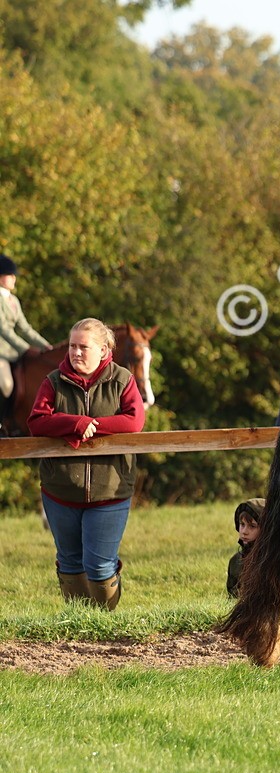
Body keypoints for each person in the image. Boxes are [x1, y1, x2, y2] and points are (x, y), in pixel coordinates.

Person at [27, 318, 145, 609]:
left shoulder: (123, 380)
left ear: (104, 350)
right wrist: (75, 424)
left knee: (100, 565)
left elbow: (135, 421)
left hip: (111, 491)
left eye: (84, 347)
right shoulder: (53, 381)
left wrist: (95, 426)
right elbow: (37, 422)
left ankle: (104, 623)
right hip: (60, 490)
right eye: (72, 346)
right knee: (69, 562)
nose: (76, 353)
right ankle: (80, 624)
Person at [0, 254, 52, 411]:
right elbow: (3, 329)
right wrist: (25, 348)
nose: (14, 278)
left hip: (14, 353)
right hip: (1, 353)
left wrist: (46, 346)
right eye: (10, 275)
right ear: (1, 277)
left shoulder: (14, 301)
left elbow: (25, 329)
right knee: (7, 384)